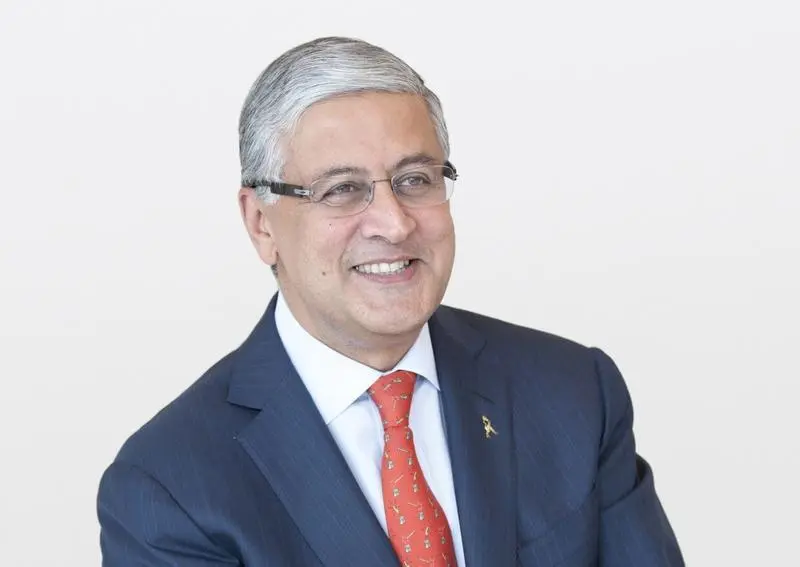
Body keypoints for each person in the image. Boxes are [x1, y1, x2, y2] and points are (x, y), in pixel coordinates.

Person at [97, 36, 684, 566]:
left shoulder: (574, 392)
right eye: (341, 189)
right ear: (261, 224)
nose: (394, 223)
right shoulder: (170, 487)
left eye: (415, 180)